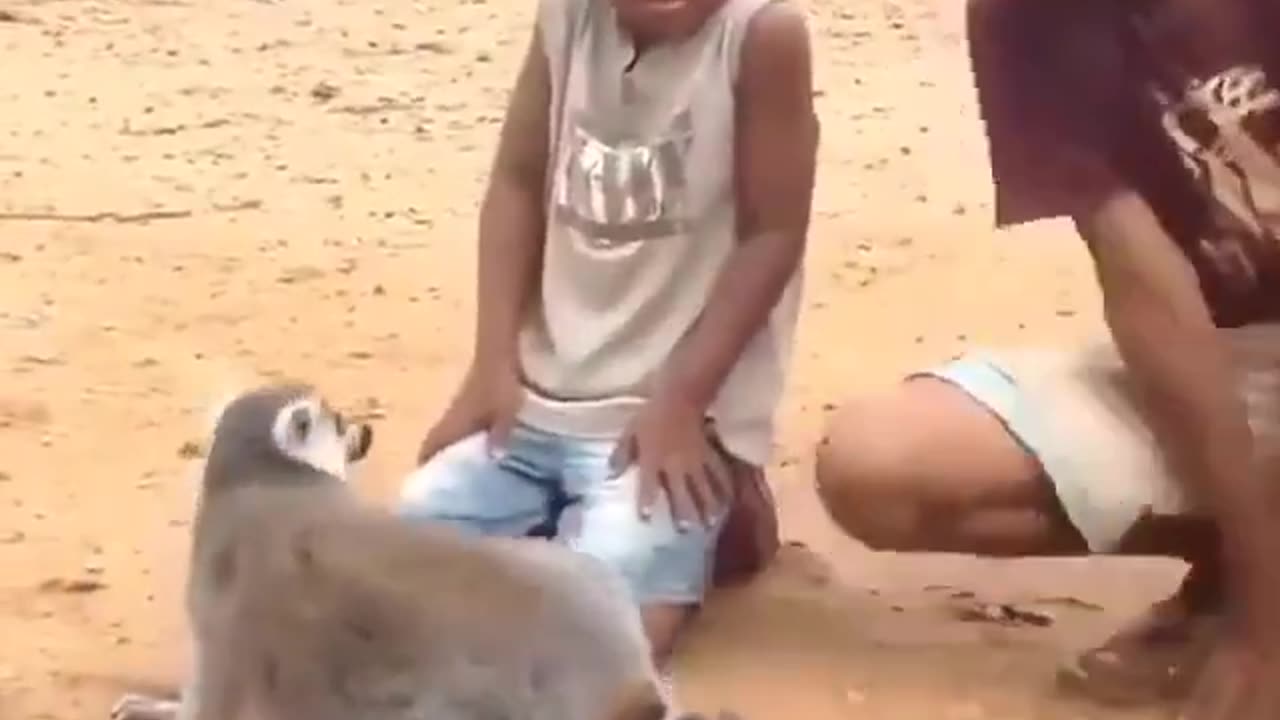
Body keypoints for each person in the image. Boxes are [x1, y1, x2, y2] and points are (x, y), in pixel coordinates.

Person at [814, 0, 1280, 717]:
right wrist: (1258, 597)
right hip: (1246, 354)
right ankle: (1236, 560)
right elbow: (1147, 288)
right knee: (881, 462)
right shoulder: (1027, 15)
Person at [398, 0, 817, 689]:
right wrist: (491, 365)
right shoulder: (570, 16)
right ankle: (679, 532)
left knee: (604, 625)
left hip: (667, 420)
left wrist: (682, 401)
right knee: (407, 543)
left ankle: (717, 505)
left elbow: (774, 233)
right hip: (540, 400)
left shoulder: (761, 33)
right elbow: (518, 180)